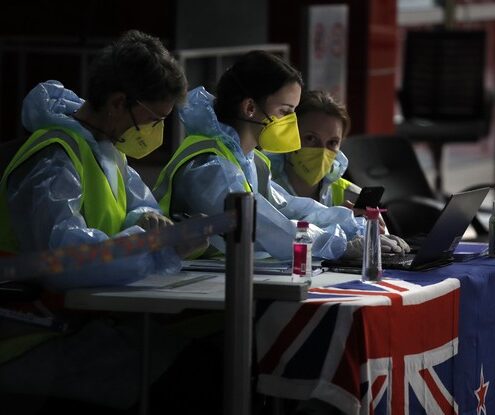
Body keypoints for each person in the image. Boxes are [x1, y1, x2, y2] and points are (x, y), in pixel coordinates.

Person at [0, 30, 200, 412]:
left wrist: (155, 226)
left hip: (82, 318)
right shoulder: (53, 159)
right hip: (31, 333)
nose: (156, 132)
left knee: (189, 357)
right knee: (185, 376)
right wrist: (151, 247)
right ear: (118, 102)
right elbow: (63, 259)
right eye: (153, 120)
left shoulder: (106, 150)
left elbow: (138, 209)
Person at [153, 51, 407, 260]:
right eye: (286, 112)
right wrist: (341, 245)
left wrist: (353, 223)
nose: (291, 123)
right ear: (250, 107)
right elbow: (271, 230)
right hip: (198, 295)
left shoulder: (251, 161)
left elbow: (290, 208)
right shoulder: (210, 167)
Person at [268, 89, 360, 208]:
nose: (322, 151)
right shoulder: (262, 188)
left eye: (332, 142)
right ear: (288, 137)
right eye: (311, 138)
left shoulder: (352, 197)